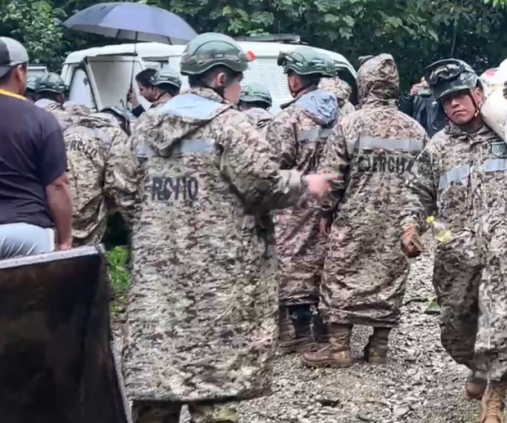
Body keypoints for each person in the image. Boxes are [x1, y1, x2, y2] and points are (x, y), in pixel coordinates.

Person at [110, 32, 338, 422]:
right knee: (216, 379)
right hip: (221, 275)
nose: (239, 89)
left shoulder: (145, 126)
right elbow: (262, 185)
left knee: (157, 373)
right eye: (237, 81)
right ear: (219, 79)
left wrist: (158, 230)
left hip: (157, 274)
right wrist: (307, 184)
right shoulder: (230, 126)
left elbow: (123, 188)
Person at [401, 58, 507, 423]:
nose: (454, 104)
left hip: (505, 253)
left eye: (460, 96)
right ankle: (477, 367)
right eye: (446, 100)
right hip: (456, 260)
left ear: (479, 93)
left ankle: (495, 398)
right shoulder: (438, 147)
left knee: (505, 325)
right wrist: (410, 226)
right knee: (454, 329)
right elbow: (417, 192)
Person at [300, 54, 427, 368]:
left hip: (355, 220)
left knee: (341, 277)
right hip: (399, 223)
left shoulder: (349, 124)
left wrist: (325, 214)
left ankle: (339, 347)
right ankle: (379, 347)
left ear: (365, 84)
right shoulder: (416, 130)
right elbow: (426, 184)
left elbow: (330, 179)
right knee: (391, 276)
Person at [265, 46, 340, 355]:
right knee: (326, 265)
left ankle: (298, 334)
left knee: (292, 266)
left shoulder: (287, 119)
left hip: (294, 205)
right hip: (331, 203)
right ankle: (325, 332)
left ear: (295, 80)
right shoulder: (343, 115)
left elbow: (271, 167)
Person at [0, 37, 72, 259]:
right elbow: (58, 186)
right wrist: (66, 240)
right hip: (27, 231)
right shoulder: (41, 119)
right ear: (19, 72)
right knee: (33, 293)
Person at [63, 102, 128, 247]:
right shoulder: (116, 134)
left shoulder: (69, 131)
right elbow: (117, 185)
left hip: (60, 206)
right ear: (121, 122)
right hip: (89, 212)